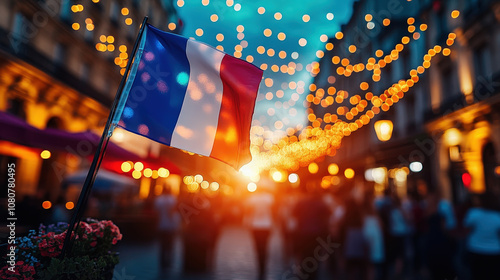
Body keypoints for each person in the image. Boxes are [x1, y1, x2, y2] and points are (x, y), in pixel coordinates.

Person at [463, 193, 500, 280]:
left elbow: (466, 229)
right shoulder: (497, 216)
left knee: (477, 275)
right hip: (494, 250)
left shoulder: (474, 213)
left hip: (475, 248)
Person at [245, 187, 275, 279]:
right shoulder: (269, 198)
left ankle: (260, 266)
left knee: (258, 247)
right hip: (266, 225)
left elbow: (248, 211)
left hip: (256, 225)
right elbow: (274, 211)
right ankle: (263, 267)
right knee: (265, 247)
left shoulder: (252, 198)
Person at [154, 186, 180, 269]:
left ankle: (162, 262)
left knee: (162, 245)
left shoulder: (159, 200)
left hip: (161, 225)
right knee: (170, 245)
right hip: (170, 226)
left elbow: (156, 213)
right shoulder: (172, 199)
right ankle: (168, 262)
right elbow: (172, 212)